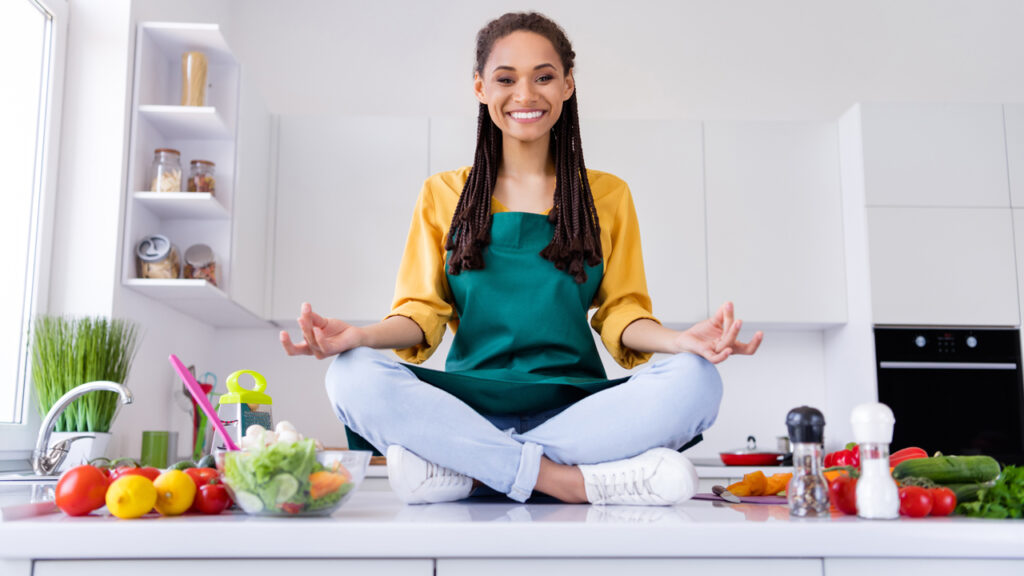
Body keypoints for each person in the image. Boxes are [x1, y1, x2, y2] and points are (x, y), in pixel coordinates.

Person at [280, 11, 762, 506]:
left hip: (578, 410)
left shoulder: (608, 195)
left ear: (568, 85)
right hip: (466, 407)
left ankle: (471, 470)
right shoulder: (444, 193)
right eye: (506, 79)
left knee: (696, 379)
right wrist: (359, 337)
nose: (526, 95)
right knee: (350, 373)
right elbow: (421, 314)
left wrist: (679, 341)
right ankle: (560, 480)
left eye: (544, 77)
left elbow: (622, 314)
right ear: (480, 88)